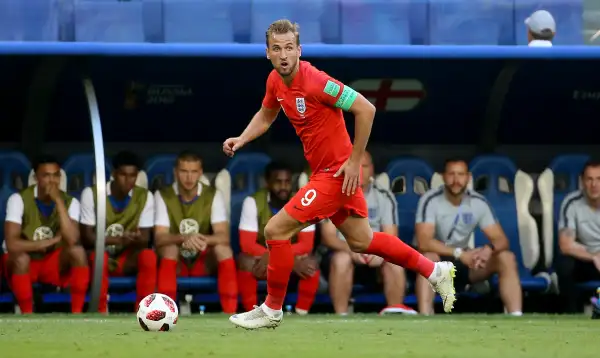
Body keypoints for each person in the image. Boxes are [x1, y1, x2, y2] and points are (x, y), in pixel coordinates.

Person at [223, 19, 456, 329]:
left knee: (275, 230)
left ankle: (272, 309)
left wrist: (354, 160)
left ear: (299, 50)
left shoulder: (316, 81)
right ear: (267, 53)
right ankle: (434, 271)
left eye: (289, 48)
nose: (283, 55)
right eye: (277, 49)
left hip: (335, 174)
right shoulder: (275, 82)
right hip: (327, 173)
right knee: (362, 241)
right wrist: (241, 139)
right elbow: (267, 115)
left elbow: (366, 109)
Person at [415, 158, 522, 315]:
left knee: (506, 257)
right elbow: (423, 243)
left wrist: (488, 249)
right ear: (443, 177)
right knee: (428, 257)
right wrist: (460, 253)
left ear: (468, 177)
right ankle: (424, 317)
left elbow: (501, 240)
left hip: (465, 263)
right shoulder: (430, 200)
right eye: (451, 174)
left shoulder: (478, 202)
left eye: (460, 174)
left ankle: (516, 316)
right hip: (439, 263)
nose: (456, 180)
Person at [321, 151, 413, 315]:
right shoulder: (333, 194)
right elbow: (328, 237)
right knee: (341, 259)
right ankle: (340, 316)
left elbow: (391, 236)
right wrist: (352, 249)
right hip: (344, 251)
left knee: (393, 260)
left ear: (372, 169)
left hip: (376, 255)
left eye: (364, 166)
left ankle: (395, 313)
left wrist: (379, 251)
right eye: (355, 165)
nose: (360, 170)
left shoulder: (384, 196)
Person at [3, 155, 89, 313]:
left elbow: (72, 240)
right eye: (46, 175)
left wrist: (58, 201)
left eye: (56, 175)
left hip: (51, 262)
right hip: (24, 263)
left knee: (78, 252)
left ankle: (77, 312)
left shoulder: (70, 202)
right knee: (20, 258)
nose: (52, 181)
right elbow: (12, 244)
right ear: (36, 178)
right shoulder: (18, 199)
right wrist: (45, 243)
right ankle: (26, 313)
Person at [154, 151, 237, 314]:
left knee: (224, 249)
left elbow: (223, 236)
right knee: (169, 249)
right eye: (184, 171)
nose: (189, 177)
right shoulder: (163, 195)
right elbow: (159, 238)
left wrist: (198, 239)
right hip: (177, 262)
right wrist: (184, 237)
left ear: (200, 173)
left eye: (193, 172)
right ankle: (165, 313)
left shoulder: (212, 195)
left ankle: (230, 312)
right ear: (175, 172)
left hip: (203, 260)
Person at [237, 161, 319, 315]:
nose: (283, 187)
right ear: (267, 182)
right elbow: (247, 244)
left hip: (288, 258)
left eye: (287, 182)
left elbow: (306, 244)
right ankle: (250, 312)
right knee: (245, 261)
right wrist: (276, 257)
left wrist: (278, 257)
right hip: (262, 259)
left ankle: (302, 313)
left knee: (310, 263)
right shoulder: (253, 202)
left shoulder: (304, 201)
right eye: (278, 182)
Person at [80, 151, 156, 311]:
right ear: (114, 174)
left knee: (148, 256)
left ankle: (144, 311)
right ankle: (99, 311)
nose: (128, 180)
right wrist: (119, 239)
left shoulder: (145, 196)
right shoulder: (92, 194)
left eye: (132, 175)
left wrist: (134, 239)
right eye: (123, 175)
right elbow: (87, 237)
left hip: (127, 257)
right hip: (101, 257)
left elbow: (145, 238)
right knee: (98, 256)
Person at [556, 159, 600, 313]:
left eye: (599, 179)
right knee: (564, 264)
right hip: (585, 260)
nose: (594, 185)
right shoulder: (572, 203)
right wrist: (594, 257)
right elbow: (565, 245)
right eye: (589, 179)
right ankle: (571, 313)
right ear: (582, 182)